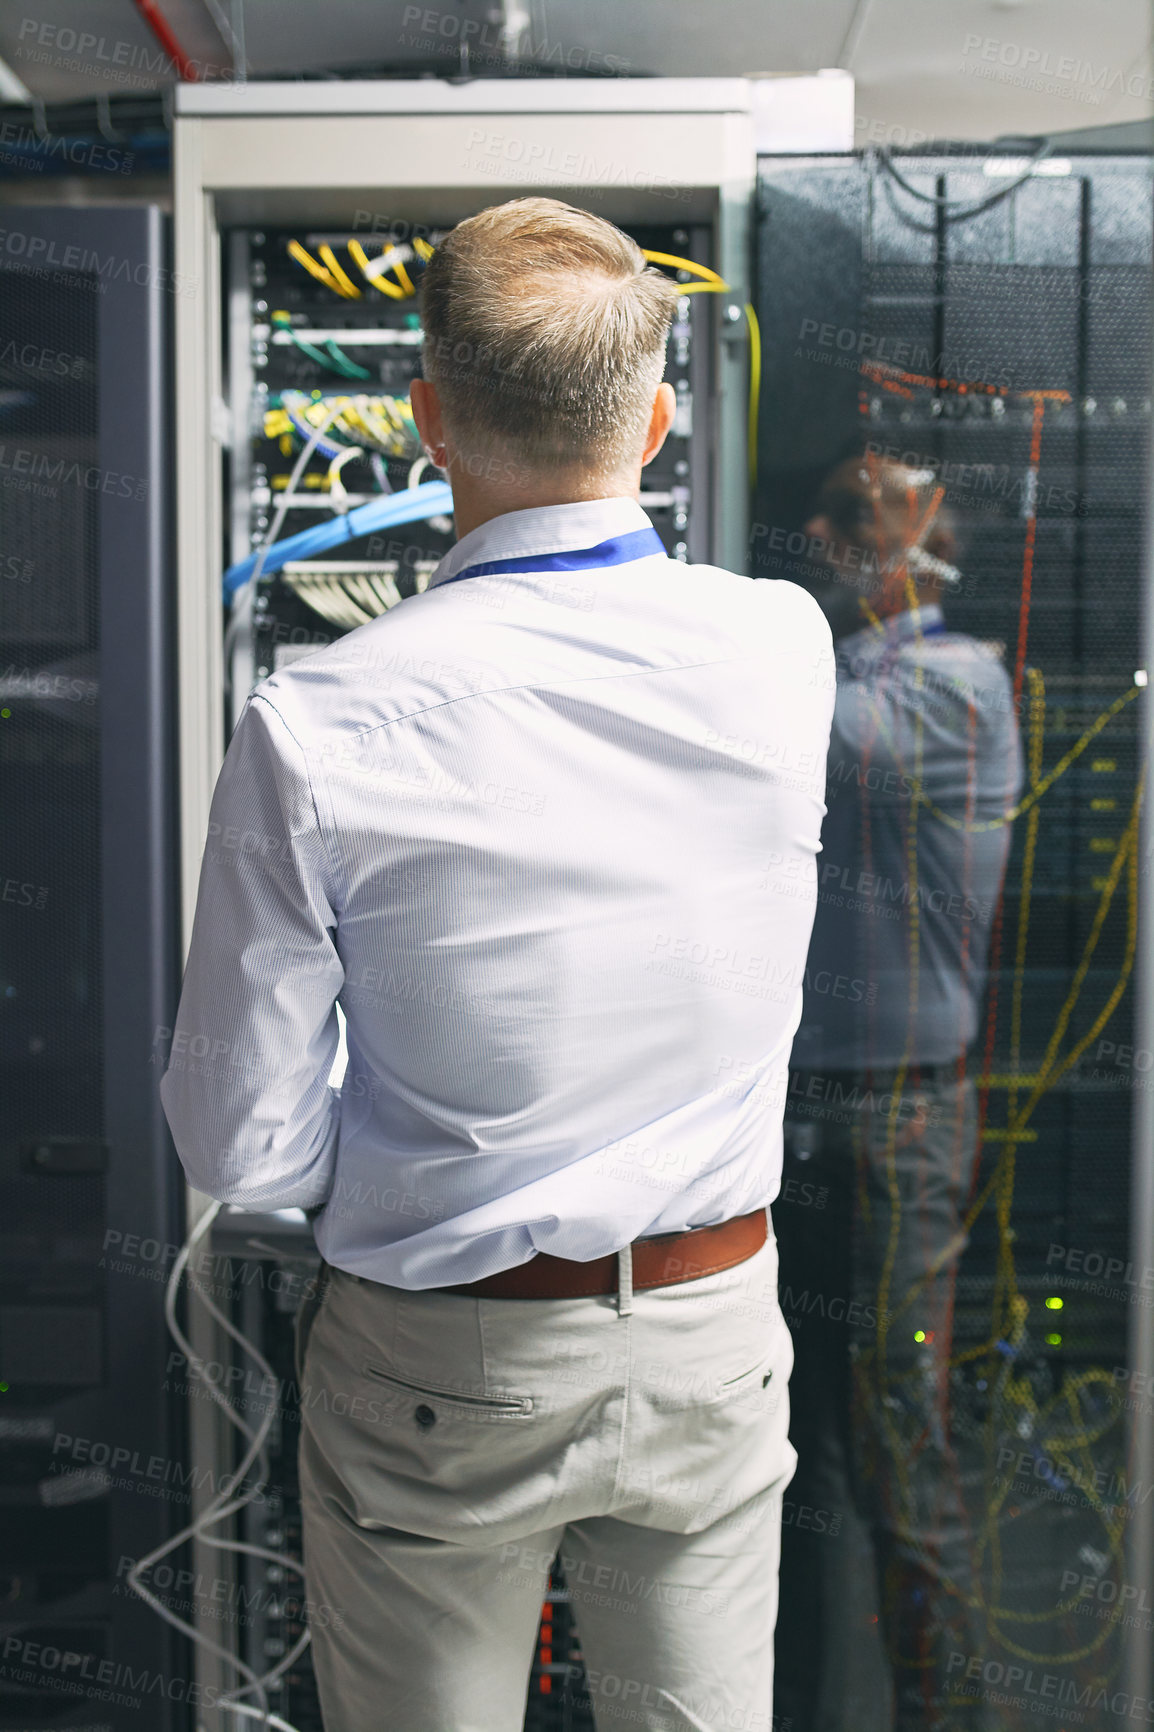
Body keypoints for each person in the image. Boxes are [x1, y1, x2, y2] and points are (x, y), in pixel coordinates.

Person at [160, 197, 836, 1732]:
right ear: (662, 423)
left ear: (427, 421)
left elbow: (240, 1141)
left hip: (439, 1359)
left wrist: (425, 1134)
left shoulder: (318, 724)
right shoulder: (781, 646)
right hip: (709, 1333)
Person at [772, 453, 1023, 1732]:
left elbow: (804, 727)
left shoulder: (953, 691)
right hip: (810, 1120)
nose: (818, 534)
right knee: (787, 1454)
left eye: (852, 517)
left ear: (929, 542)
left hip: (896, 1125)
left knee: (894, 1452)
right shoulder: (866, 673)